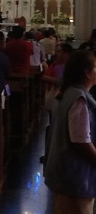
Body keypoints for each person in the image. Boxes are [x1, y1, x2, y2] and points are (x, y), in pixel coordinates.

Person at [44, 50, 96, 213]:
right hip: (74, 178)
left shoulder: (66, 91)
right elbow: (80, 141)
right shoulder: (79, 98)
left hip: (63, 175)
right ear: (87, 73)